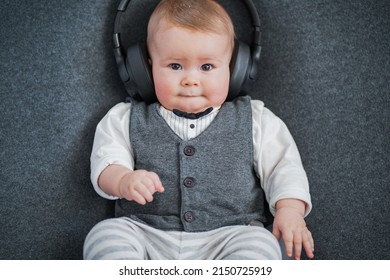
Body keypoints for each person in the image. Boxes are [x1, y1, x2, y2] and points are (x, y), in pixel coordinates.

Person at [83, 0, 314, 260]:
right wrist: (123, 180)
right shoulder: (124, 118)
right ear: (144, 69)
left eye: (207, 67)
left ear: (236, 68)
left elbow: (283, 167)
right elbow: (106, 164)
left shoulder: (257, 119)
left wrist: (290, 210)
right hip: (146, 232)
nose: (190, 80)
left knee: (261, 243)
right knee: (106, 234)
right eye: (175, 66)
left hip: (229, 235)